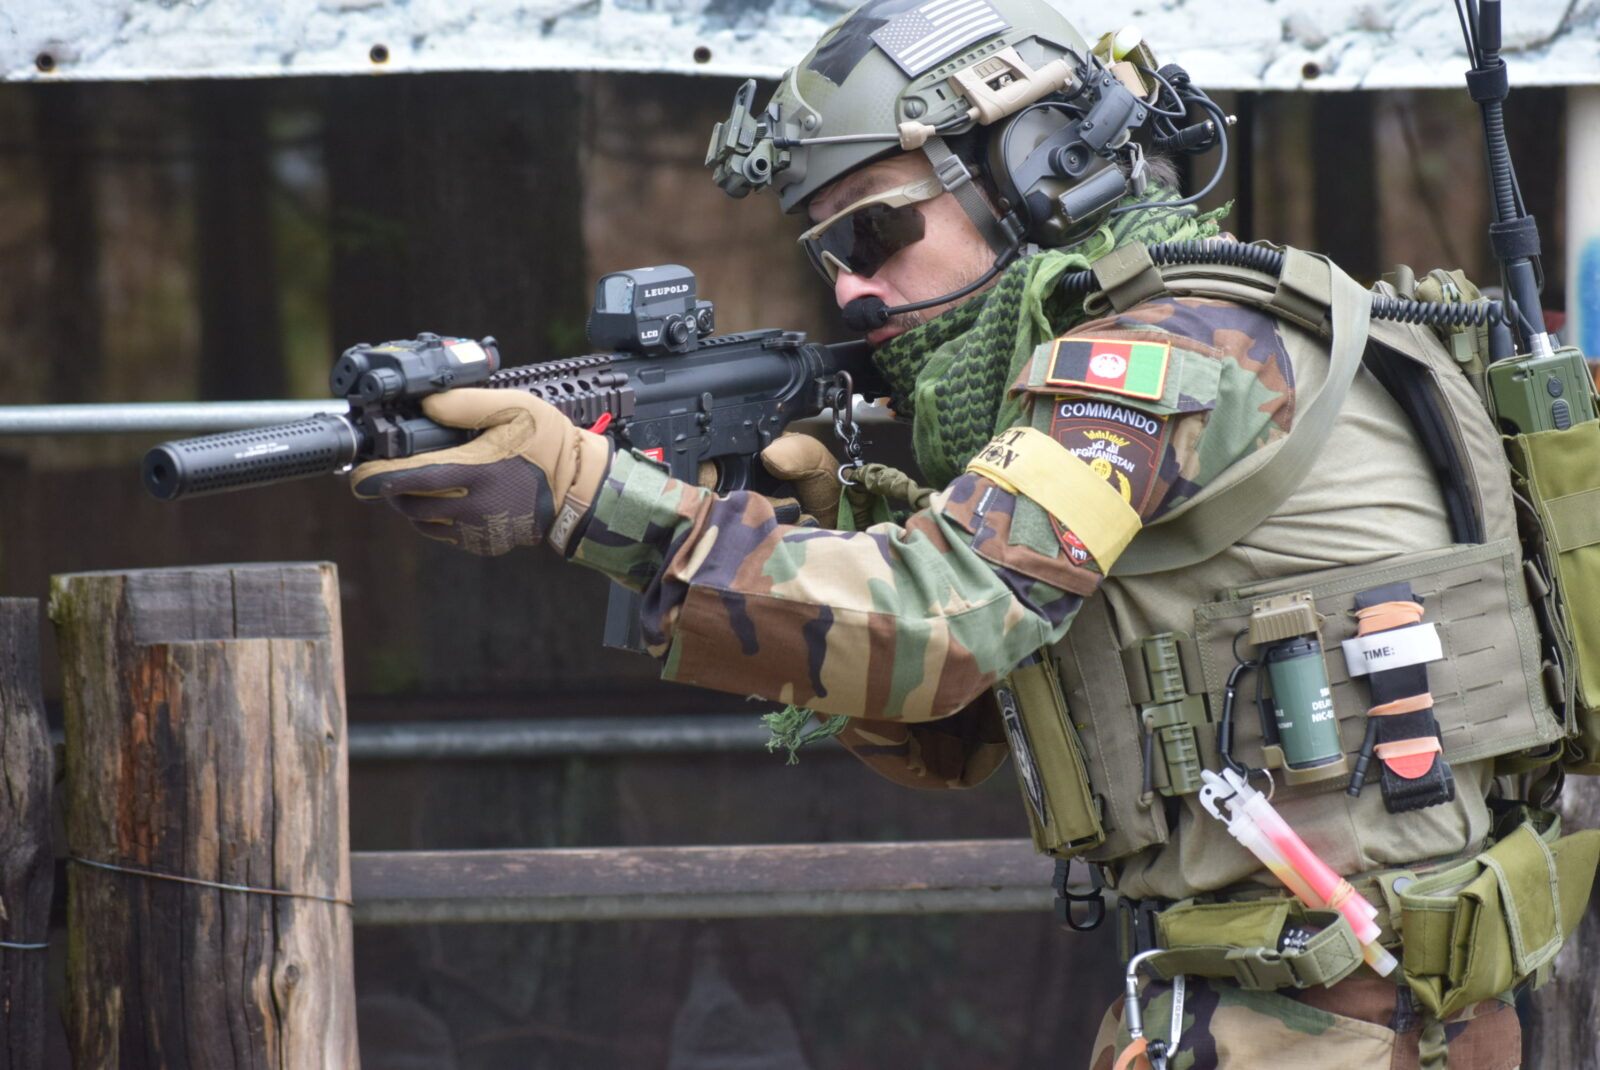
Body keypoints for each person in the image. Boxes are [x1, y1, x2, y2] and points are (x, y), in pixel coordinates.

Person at [349, 0, 1598, 1064]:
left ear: (1040, 165)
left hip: (1334, 1019)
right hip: (1338, 1006)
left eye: (871, 229)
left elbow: (933, 632)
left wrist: (592, 495)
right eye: (824, 252)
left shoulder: (1163, 355)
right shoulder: (1242, 321)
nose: (849, 284)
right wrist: (836, 529)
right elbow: (960, 727)